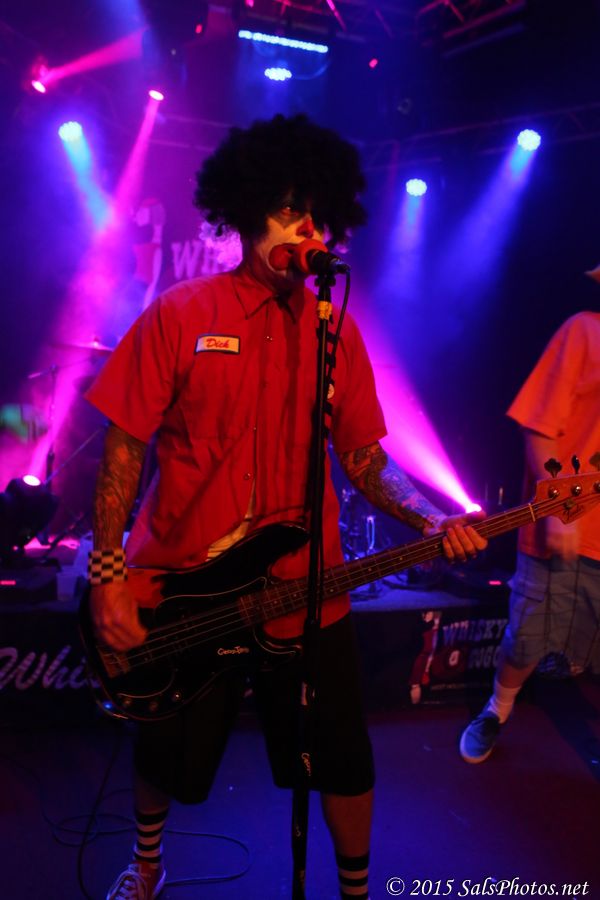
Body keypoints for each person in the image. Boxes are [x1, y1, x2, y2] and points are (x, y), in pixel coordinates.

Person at [85, 114, 487, 900]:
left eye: (318, 214)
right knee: (164, 747)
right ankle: (146, 866)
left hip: (306, 592)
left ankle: (355, 892)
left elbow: (364, 458)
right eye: (288, 209)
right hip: (185, 587)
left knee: (342, 758)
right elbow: (124, 446)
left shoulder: (336, 333)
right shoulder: (181, 314)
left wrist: (429, 520)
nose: (308, 229)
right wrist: (106, 574)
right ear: (246, 214)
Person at [459, 274, 600, 765]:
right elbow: (539, 426)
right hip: (569, 528)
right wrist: (559, 511)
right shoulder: (584, 331)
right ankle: (496, 710)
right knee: (526, 641)